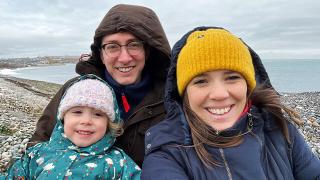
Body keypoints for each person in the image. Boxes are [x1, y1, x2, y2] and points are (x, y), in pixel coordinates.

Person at [141, 27, 320, 179]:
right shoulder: (166, 154)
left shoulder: (279, 128)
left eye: (232, 78)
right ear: (184, 93)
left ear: (248, 85)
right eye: (201, 81)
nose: (219, 94)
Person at [28, 4, 170, 167]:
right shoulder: (75, 90)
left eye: (134, 44)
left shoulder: (171, 98)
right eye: (112, 46)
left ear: (148, 50)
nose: (124, 58)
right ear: (101, 54)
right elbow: (39, 143)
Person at [2, 75, 141, 179]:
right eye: (77, 112)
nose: (86, 121)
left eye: (98, 114)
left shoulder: (119, 163)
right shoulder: (37, 153)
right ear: (63, 118)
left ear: (109, 123)